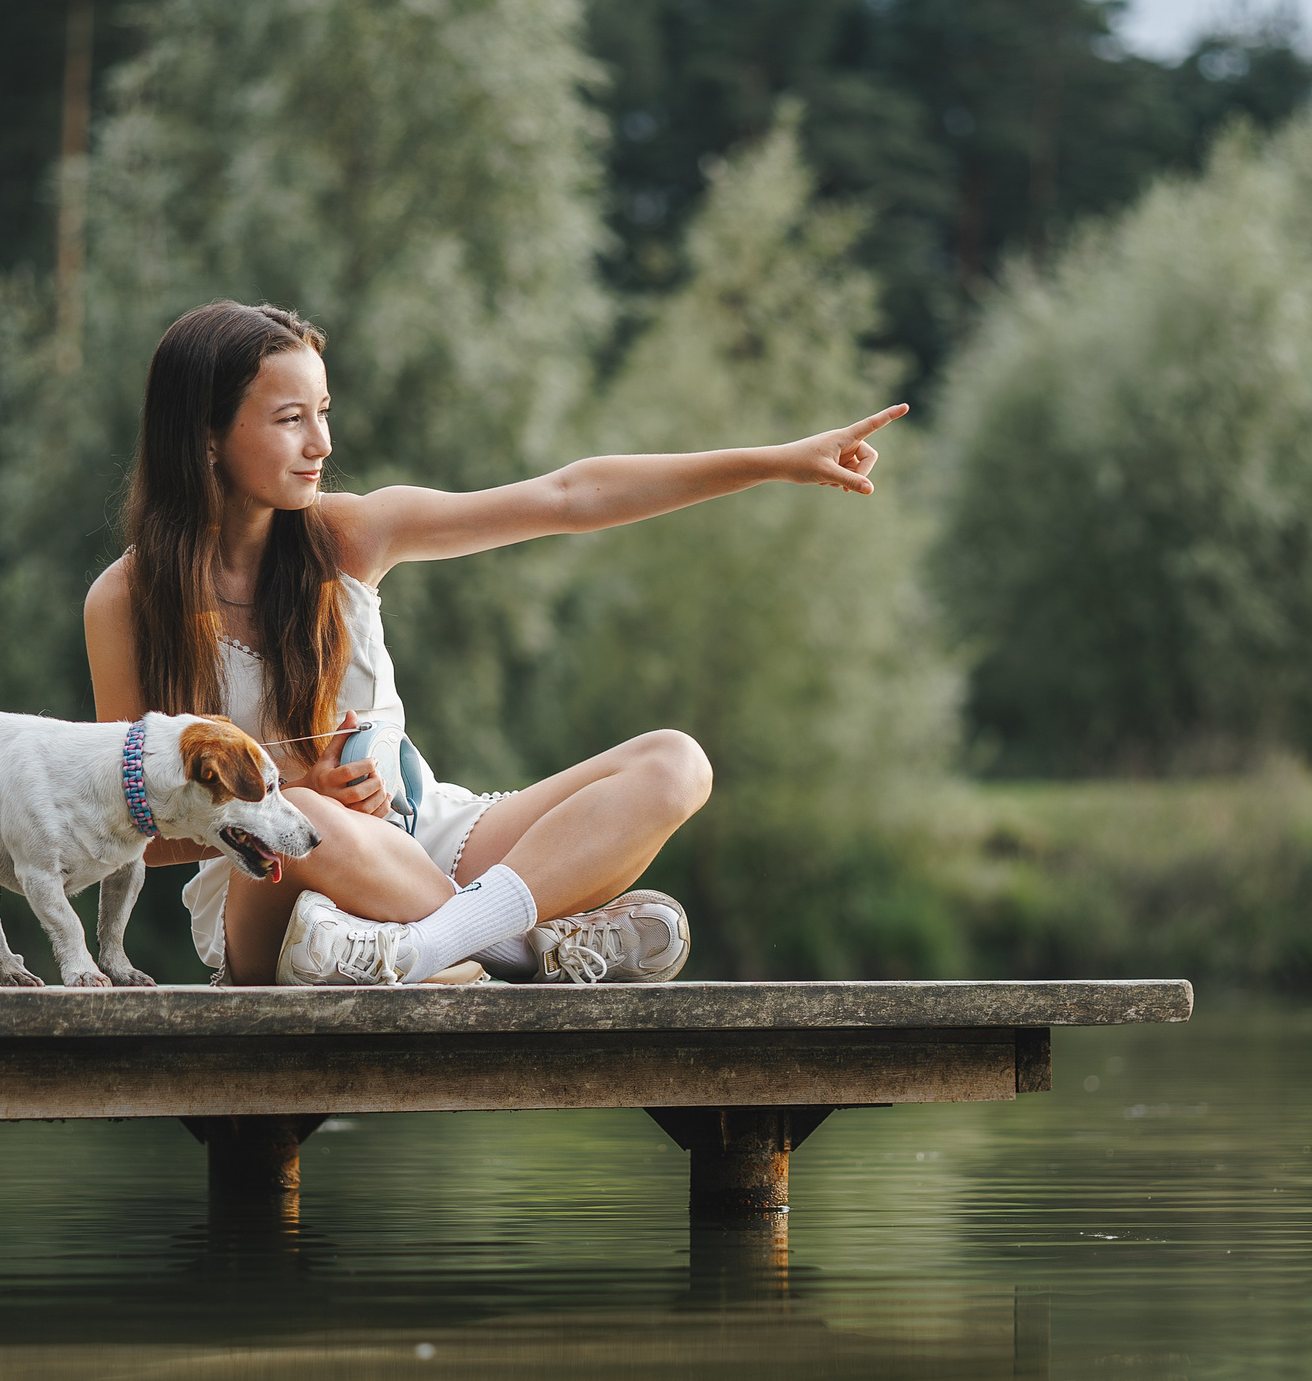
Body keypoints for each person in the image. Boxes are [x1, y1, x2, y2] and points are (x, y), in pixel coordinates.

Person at [84, 300, 904, 987]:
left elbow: (569, 495)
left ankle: (438, 948)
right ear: (206, 435)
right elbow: (132, 835)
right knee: (291, 814)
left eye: (323, 413)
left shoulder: (351, 536)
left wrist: (775, 462)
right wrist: (303, 791)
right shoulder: (125, 601)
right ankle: (519, 943)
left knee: (675, 762)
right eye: (290, 419)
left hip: (424, 836)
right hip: (267, 889)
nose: (322, 445)